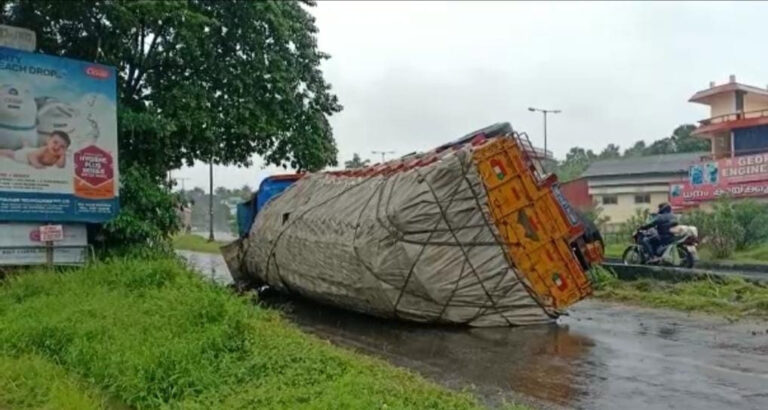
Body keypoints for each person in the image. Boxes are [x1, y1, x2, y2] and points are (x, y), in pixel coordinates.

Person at [0, 130, 70, 169]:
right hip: (25, 156)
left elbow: (60, 166)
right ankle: (25, 146)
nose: (57, 147)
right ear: (48, 140)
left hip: (33, 150)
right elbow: (31, 156)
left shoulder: (59, 156)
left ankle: (26, 145)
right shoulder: (45, 149)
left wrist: (62, 155)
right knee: (11, 153)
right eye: (55, 142)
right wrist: (37, 165)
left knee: (30, 149)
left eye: (62, 146)